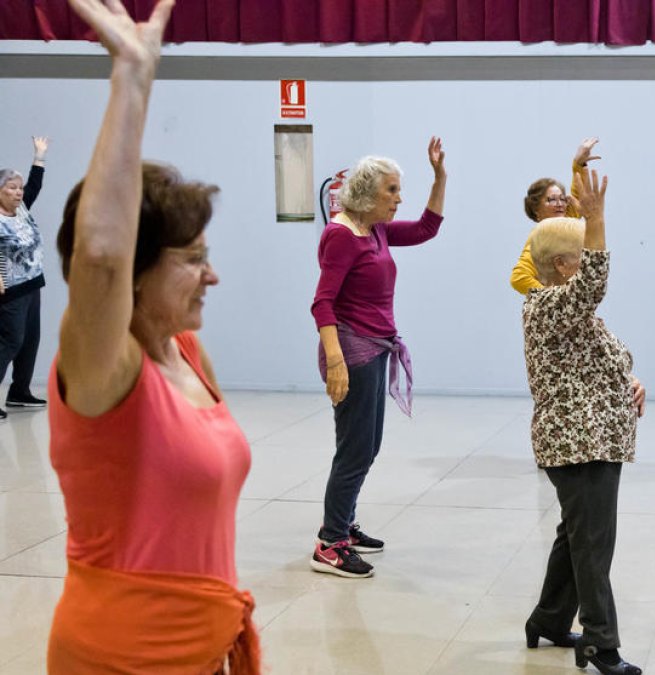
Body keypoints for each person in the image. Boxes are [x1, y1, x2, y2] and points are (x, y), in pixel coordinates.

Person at [46, 1, 260, 672]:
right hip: (121, 654)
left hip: (199, 646)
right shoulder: (104, 373)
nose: (212, 274)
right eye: (191, 258)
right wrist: (132, 80)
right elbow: (101, 257)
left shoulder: (187, 353)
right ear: (135, 276)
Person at [522, 168, 646, 675]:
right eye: (580, 253)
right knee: (594, 545)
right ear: (561, 265)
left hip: (595, 438)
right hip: (579, 445)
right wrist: (596, 218)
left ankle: (549, 620)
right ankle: (599, 644)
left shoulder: (569, 312)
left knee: (576, 536)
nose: (587, 262)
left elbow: (603, 358)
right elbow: (594, 284)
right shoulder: (549, 305)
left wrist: (631, 381)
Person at [310, 142, 447, 578]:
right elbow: (322, 303)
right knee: (354, 449)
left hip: (375, 346)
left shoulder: (377, 230)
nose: (398, 199)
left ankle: (343, 523)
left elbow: (427, 228)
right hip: (352, 350)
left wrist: (439, 177)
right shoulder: (342, 235)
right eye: (392, 190)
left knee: (367, 446)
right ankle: (330, 544)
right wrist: (335, 363)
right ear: (368, 193)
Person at [0, 135, 51, 419]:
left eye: (19, 188)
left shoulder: (21, 209)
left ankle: (19, 392)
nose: (19, 193)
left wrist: (39, 155)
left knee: (30, 340)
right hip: (11, 290)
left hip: (32, 284)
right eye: (11, 188)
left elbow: (35, 184)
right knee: (10, 341)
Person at [510, 137, 601, 295]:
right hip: (556, 313)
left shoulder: (562, 225)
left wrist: (579, 164)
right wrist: (552, 298)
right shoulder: (542, 236)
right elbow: (518, 277)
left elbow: (577, 198)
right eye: (551, 200)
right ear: (536, 209)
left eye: (562, 199)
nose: (559, 204)